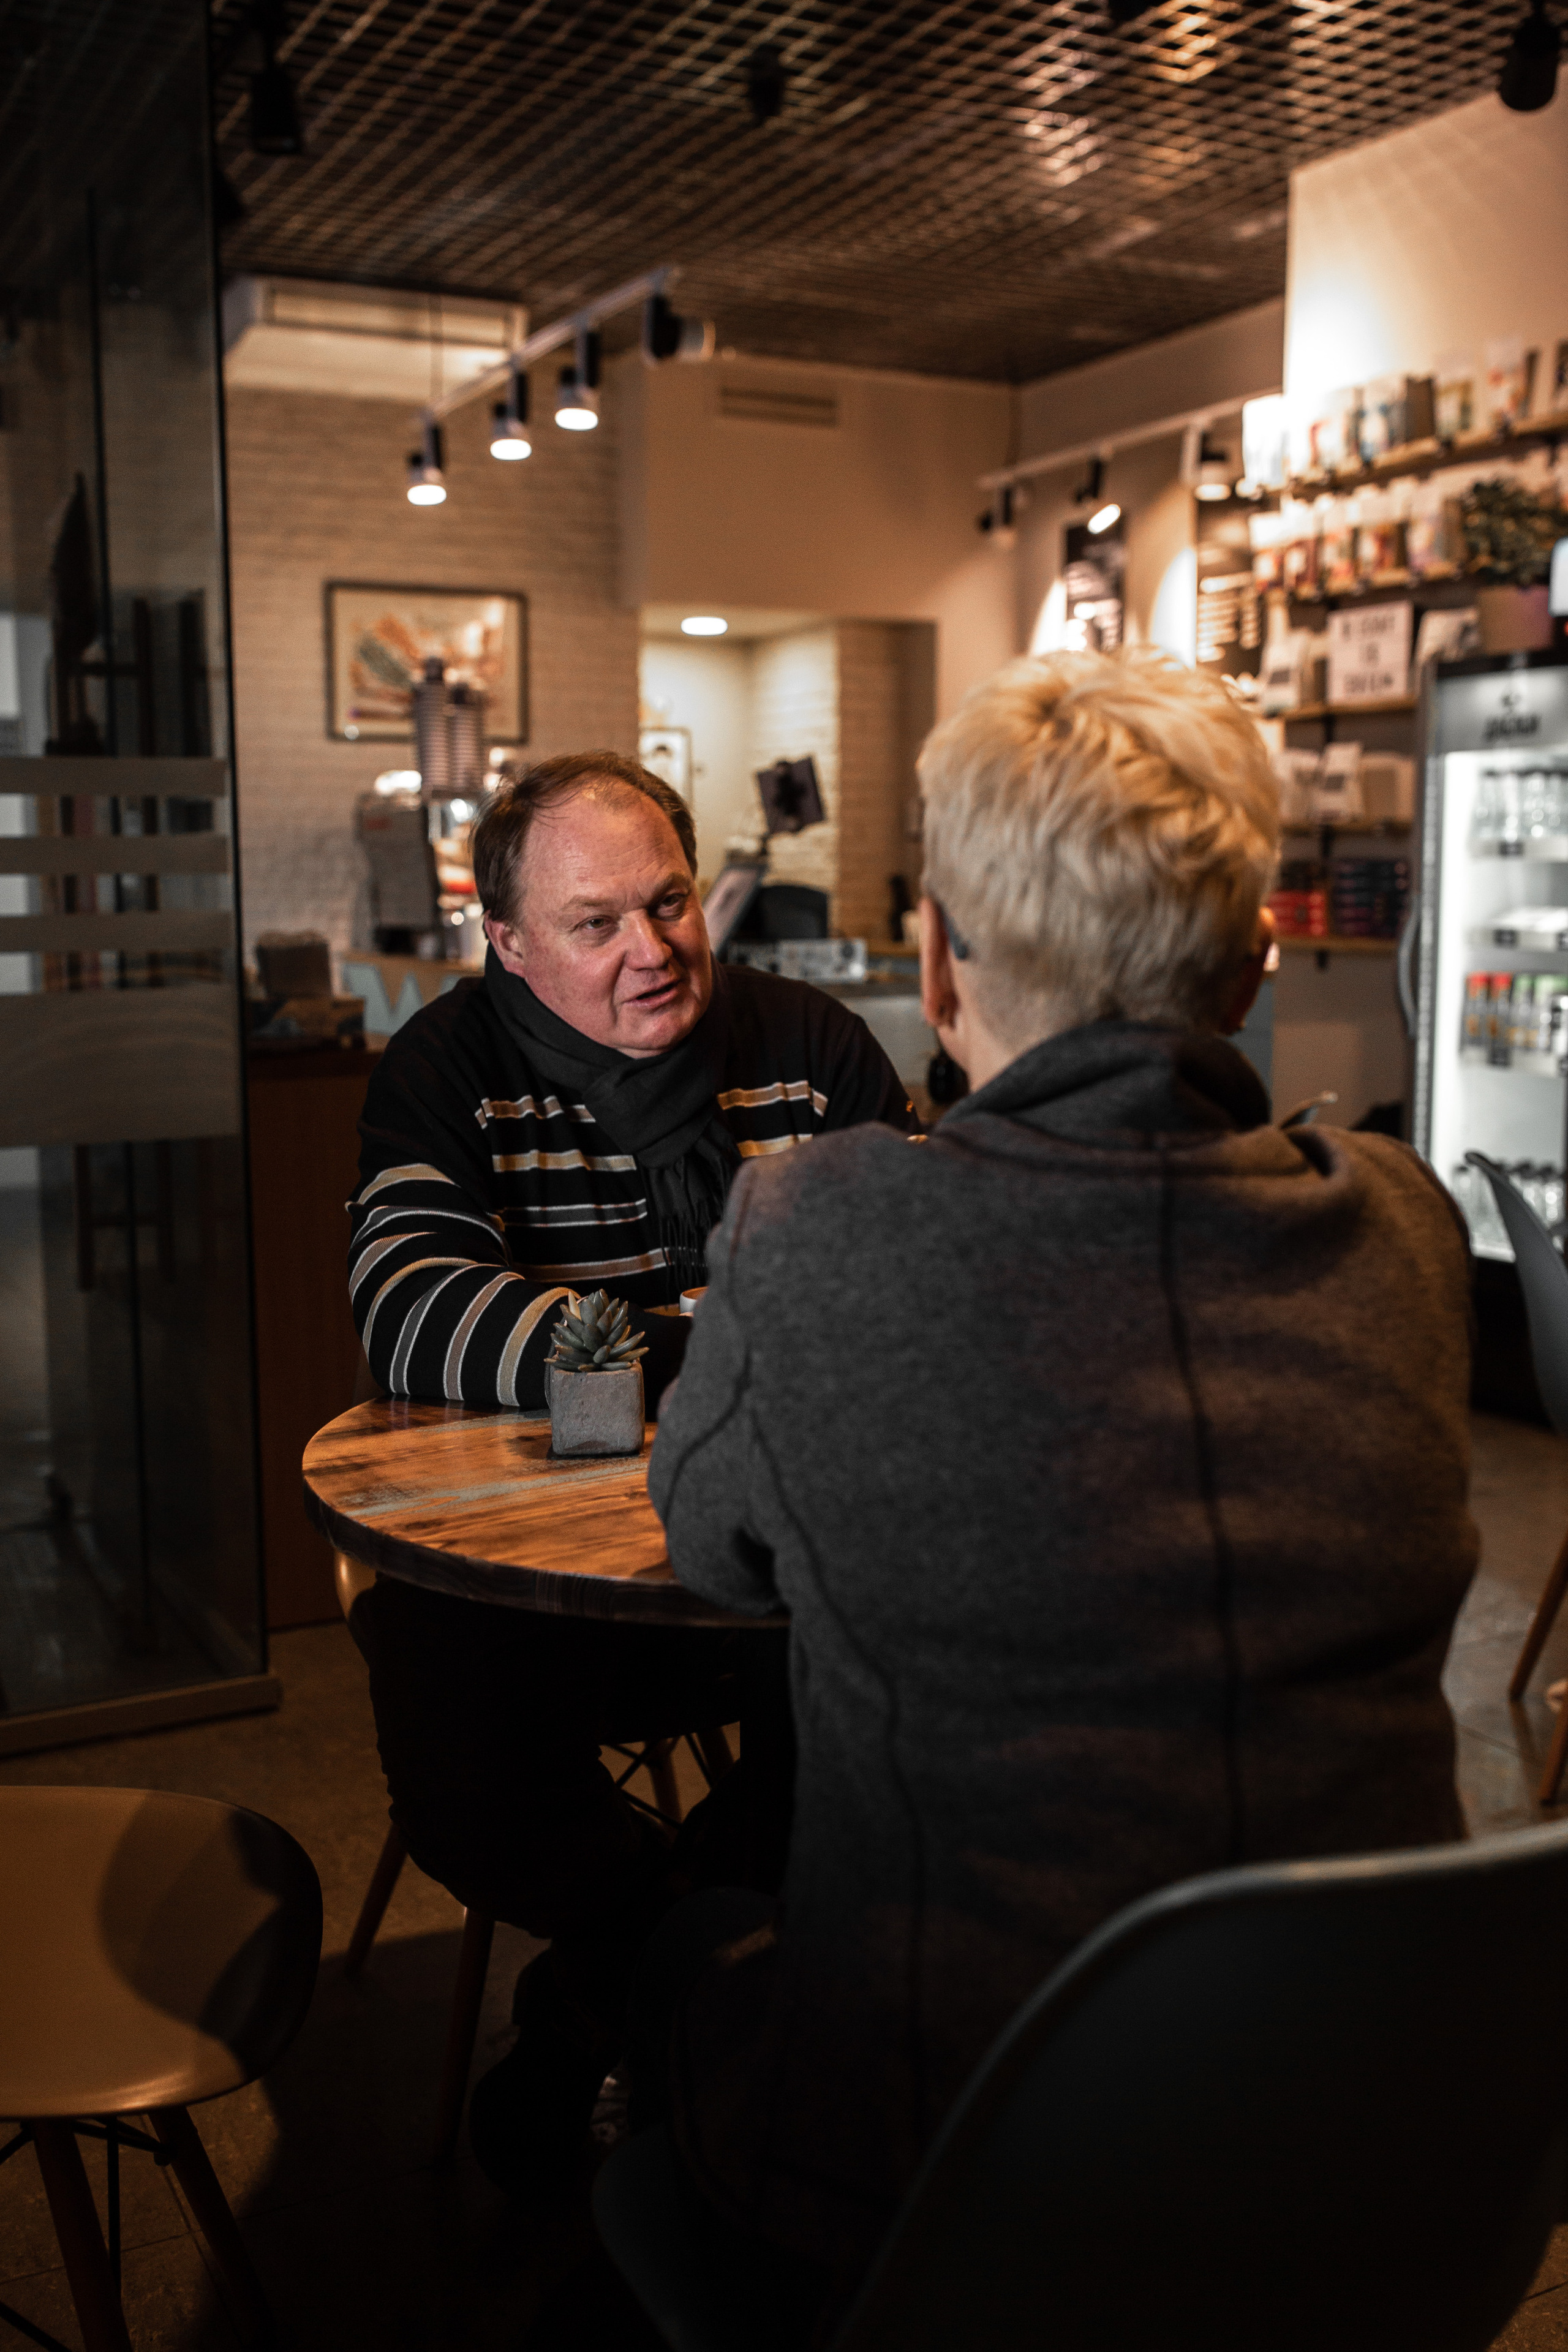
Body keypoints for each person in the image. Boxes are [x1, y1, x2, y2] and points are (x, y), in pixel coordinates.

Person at [644, 649, 1479, 2315]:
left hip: (952, 2202)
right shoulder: (1404, 1231)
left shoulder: (817, 1230)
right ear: (1252, 966)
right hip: (1399, 2189)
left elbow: (713, 1548)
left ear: (940, 964)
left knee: (672, 1968)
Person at [344, 750, 919, 2191]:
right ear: (511, 942)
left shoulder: (810, 1045)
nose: (652, 950)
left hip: (777, 1569)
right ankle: (684, 1979)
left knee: (877, 1729)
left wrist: (574, 1342)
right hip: (523, 1592)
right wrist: (695, 1338)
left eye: (669, 903)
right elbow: (412, 1309)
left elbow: (912, 1293)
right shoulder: (446, 1066)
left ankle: (594, 2019)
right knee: (462, 1766)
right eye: (596, 923)